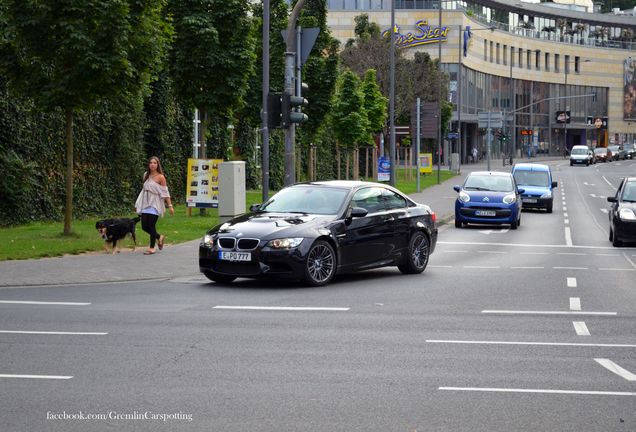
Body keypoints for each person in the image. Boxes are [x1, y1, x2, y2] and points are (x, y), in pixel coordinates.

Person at [135, 156, 174, 255]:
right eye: (151, 163)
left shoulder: (161, 177)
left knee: (151, 226)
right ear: (149, 164)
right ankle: (159, 237)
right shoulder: (145, 175)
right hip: (145, 203)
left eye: (155, 163)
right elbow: (143, 191)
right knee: (144, 226)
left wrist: (170, 205)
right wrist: (138, 203)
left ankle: (152, 247)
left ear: (157, 165)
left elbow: (165, 192)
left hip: (155, 203)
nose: (152, 164)